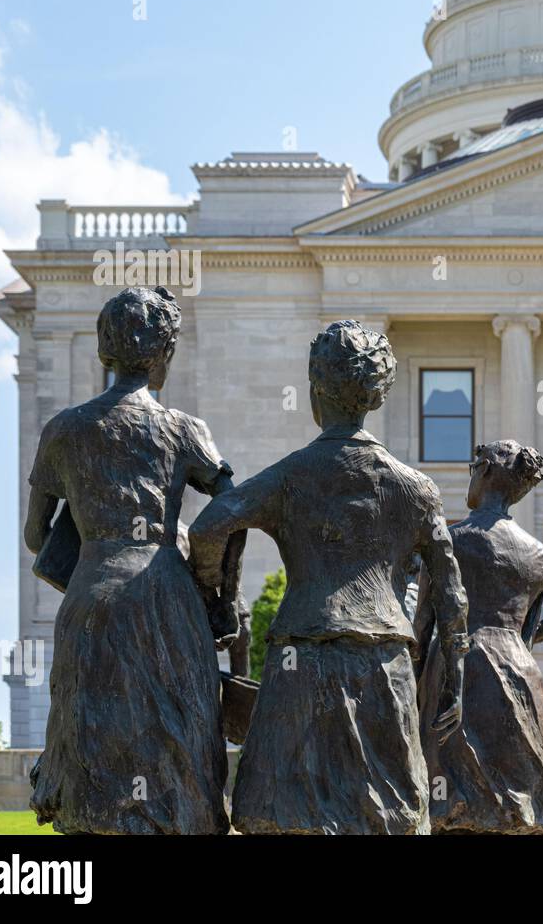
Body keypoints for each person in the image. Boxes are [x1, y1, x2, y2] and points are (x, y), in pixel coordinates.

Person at [189, 321, 468, 835]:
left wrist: (215, 596)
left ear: (316, 390)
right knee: (390, 815)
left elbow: (210, 526)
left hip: (302, 653)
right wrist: (452, 681)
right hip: (383, 659)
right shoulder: (418, 488)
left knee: (280, 811)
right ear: (378, 396)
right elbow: (452, 599)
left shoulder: (290, 474)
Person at [24, 286, 233, 834]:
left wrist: (92, 561)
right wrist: (219, 597)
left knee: (91, 722)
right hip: (165, 590)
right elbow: (231, 512)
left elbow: (34, 534)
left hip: (91, 589)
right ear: (164, 352)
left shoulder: (65, 429)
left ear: (104, 350)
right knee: (175, 724)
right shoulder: (185, 430)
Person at [415, 440, 543, 834]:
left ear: (484, 470)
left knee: (449, 797)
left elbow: (422, 625)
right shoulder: (536, 552)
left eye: (473, 466)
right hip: (518, 671)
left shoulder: (448, 541)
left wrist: (414, 684)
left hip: (456, 668)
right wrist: (523, 640)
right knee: (521, 795)